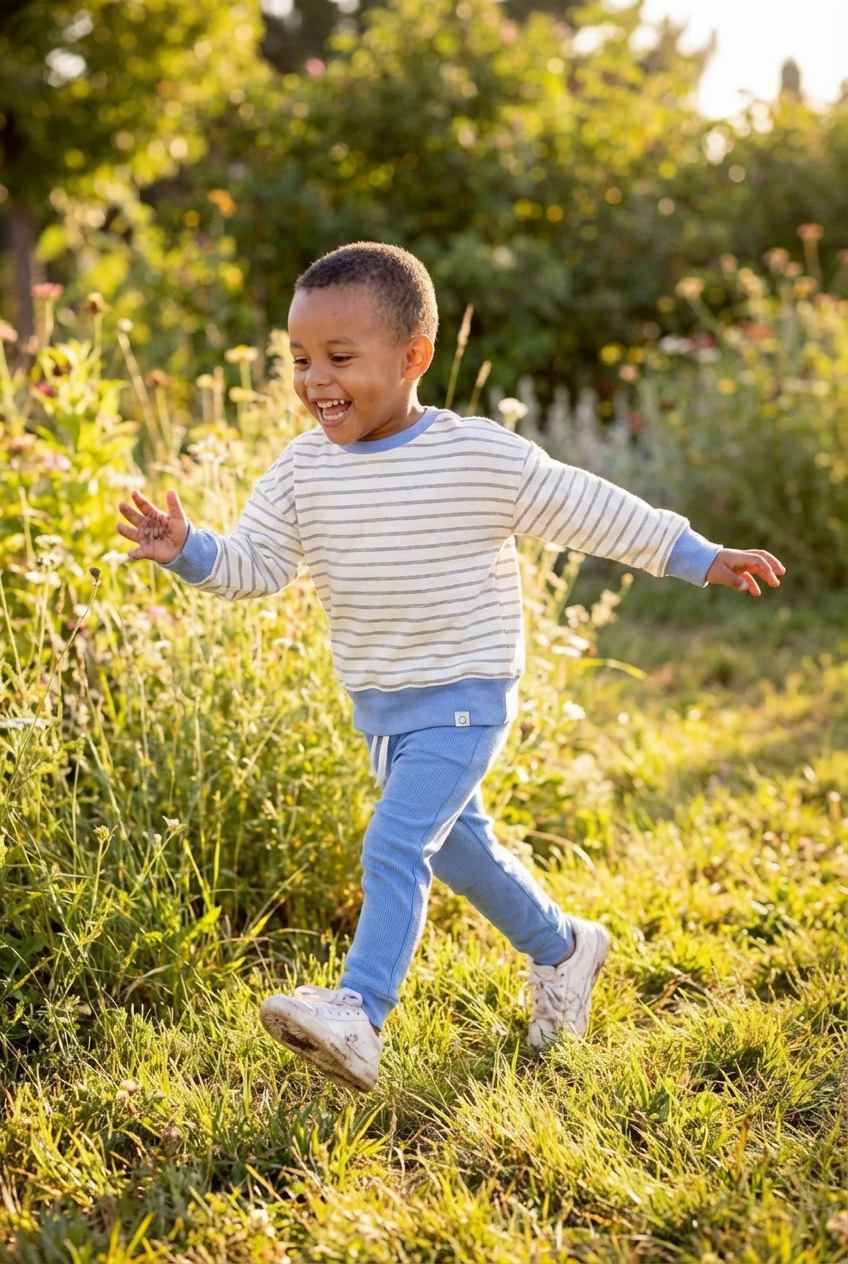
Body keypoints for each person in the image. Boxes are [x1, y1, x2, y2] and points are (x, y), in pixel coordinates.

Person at [117, 242, 785, 1093]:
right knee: (462, 854)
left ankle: (360, 1012)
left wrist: (698, 555)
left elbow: (591, 508)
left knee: (395, 842)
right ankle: (565, 949)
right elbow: (257, 565)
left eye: (340, 358)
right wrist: (190, 549)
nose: (315, 380)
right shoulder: (302, 470)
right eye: (300, 359)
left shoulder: (476, 457)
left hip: (466, 694)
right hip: (382, 708)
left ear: (414, 357)